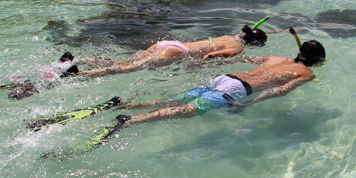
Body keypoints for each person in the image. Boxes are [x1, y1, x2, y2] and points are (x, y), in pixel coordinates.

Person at [111, 40, 326, 128]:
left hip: (225, 77)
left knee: (176, 100)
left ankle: (125, 105)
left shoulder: (276, 58)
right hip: (238, 89)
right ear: (317, 61)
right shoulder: (307, 73)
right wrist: (249, 104)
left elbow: (243, 59)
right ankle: (131, 120)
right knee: (188, 110)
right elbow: (281, 91)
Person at [75, 24, 268, 77]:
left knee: (121, 62)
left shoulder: (230, 37)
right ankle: (80, 75)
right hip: (177, 53)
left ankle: (79, 60)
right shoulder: (238, 48)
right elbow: (210, 55)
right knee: (126, 69)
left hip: (169, 44)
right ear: (253, 44)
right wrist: (198, 68)